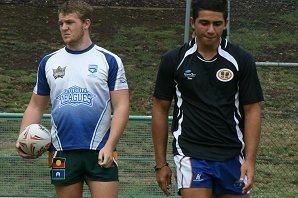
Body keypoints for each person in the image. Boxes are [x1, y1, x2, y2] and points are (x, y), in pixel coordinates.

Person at [16, 1, 129, 198]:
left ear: (86, 23)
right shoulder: (49, 62)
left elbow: (121, 106)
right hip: (61, 152)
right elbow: (36, 105)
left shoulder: (109, 60)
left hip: (100, 150)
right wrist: (23, 138)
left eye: (70, 22)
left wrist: (110, 145)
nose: (64, 28)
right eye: (61, 23)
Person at [151, 0, 264, 197]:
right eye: (204, 23)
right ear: (193, 22)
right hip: (191, 154)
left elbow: (252, 109)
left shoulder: (241, 59)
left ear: (225, 23)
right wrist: (160, 164)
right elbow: (160, 109)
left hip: (232, 156)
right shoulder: (174, 60)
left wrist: (250, 161)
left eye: (217, 24)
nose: (211, 30)